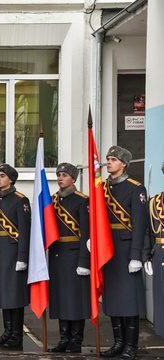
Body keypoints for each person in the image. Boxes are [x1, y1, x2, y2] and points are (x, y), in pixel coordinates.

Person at [100, 146, 148, 360]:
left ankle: (131, 345)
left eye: (112, 159)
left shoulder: (136, 188)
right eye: (108, 159)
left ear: (123, 163)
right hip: (108, 250)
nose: (108, 162)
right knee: (113, 300)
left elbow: (140, 225)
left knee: (129, 300)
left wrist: (137, 254)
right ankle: (118, 342)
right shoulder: (102, 188)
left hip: (127, 250)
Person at [0, 164, 31, 349]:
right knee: (4, 294)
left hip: (13, 253)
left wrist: (23, 256)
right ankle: (7, 331)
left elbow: (25, 231)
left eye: (2, 175)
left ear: (11, 179)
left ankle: (17, 335)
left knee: (14, 295)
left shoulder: (21, 200)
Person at [48, 163, 90, 353]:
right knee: (60, 297)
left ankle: (76, 340)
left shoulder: (82, 201)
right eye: (58, 175)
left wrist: (84, 260)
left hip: (74, 255)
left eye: (64, 175)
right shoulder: (52, 200)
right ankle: (64, 338)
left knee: (75, 299)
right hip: (57, 254)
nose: (60, 178)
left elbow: (86, 235)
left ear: (73, 178)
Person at [145, 160, 164, 338]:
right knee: (161, 298)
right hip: (160, 255)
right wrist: (147, 256)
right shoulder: (154, 202)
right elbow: (148, 232)